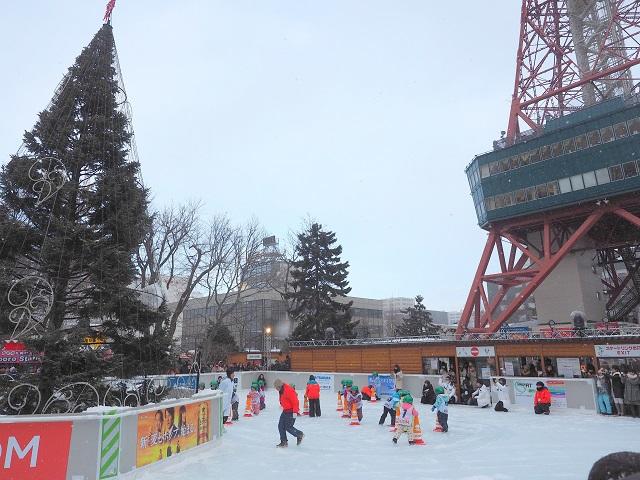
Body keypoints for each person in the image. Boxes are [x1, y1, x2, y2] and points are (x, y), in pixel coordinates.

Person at [274, 379, 303, 448]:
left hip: (291, 411)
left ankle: (299, 434)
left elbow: (295, 401)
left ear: (279, 386)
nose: (276, 389)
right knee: (280, 426)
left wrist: (295, 412)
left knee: (288, 427)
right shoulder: (281, 390)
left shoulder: (288, 390)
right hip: (285, 410)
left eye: (276, 388)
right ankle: (284, 442)